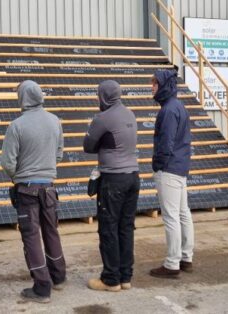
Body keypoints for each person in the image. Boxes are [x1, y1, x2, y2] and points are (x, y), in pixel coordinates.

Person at [1, 80, 67, 304]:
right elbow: (59, 154)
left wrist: (17, 177)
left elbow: (7, 162)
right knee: (51, 231)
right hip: (49, 188)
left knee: (31, 237)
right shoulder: (55, 121)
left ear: (22, 98)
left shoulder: (17, 125)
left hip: (26, 190)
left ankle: (42, 287)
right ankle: (58, 276)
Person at [83, 80, 140, 292]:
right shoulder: (130, 114)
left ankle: (110, 280)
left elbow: (88, 146)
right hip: (133, 177)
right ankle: (125, 277)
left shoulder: (102, 118)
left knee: (108, 228)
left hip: (113, 180)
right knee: (126, 227)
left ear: (104, 96)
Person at [149, 70, 194, 279]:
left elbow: (165, 144)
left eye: (154, 84)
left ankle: (172, 263)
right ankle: (186, 257)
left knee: (171, 216)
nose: (152, 87)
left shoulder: (168, 110)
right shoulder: (179, 106)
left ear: (164, 85)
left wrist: (158, 165)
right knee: (183, 213)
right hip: (180, 167)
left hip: (169, 169)